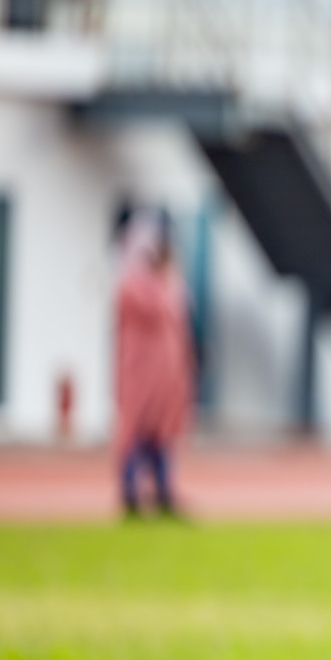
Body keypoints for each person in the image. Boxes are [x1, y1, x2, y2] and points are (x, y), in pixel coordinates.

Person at [113, 208, 194, 518]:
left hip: (168, 375)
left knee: (163, 435)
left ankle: (163, 492)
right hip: (141, 372)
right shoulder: (133, 287)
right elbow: (155, 310)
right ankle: (130, 492)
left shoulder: (170, 284)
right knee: (136, 431)